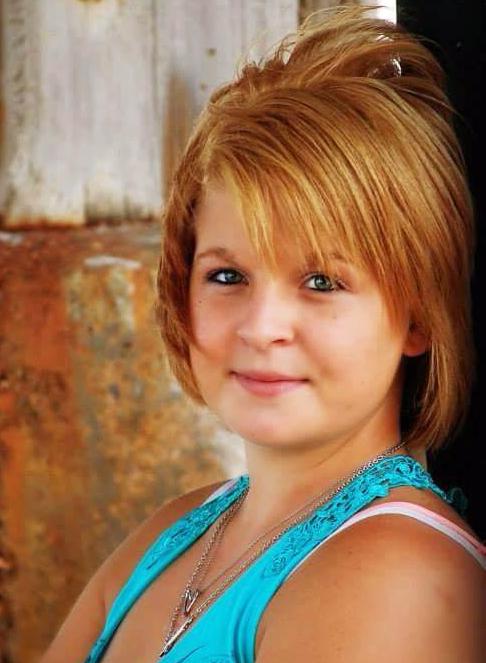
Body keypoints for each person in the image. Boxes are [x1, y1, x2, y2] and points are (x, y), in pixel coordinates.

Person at [41, 5, 486, 662]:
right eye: (227, 276)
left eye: (322, 281)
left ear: (418, 316)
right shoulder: (171, 534)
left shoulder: (398, 577)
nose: (260, 326)